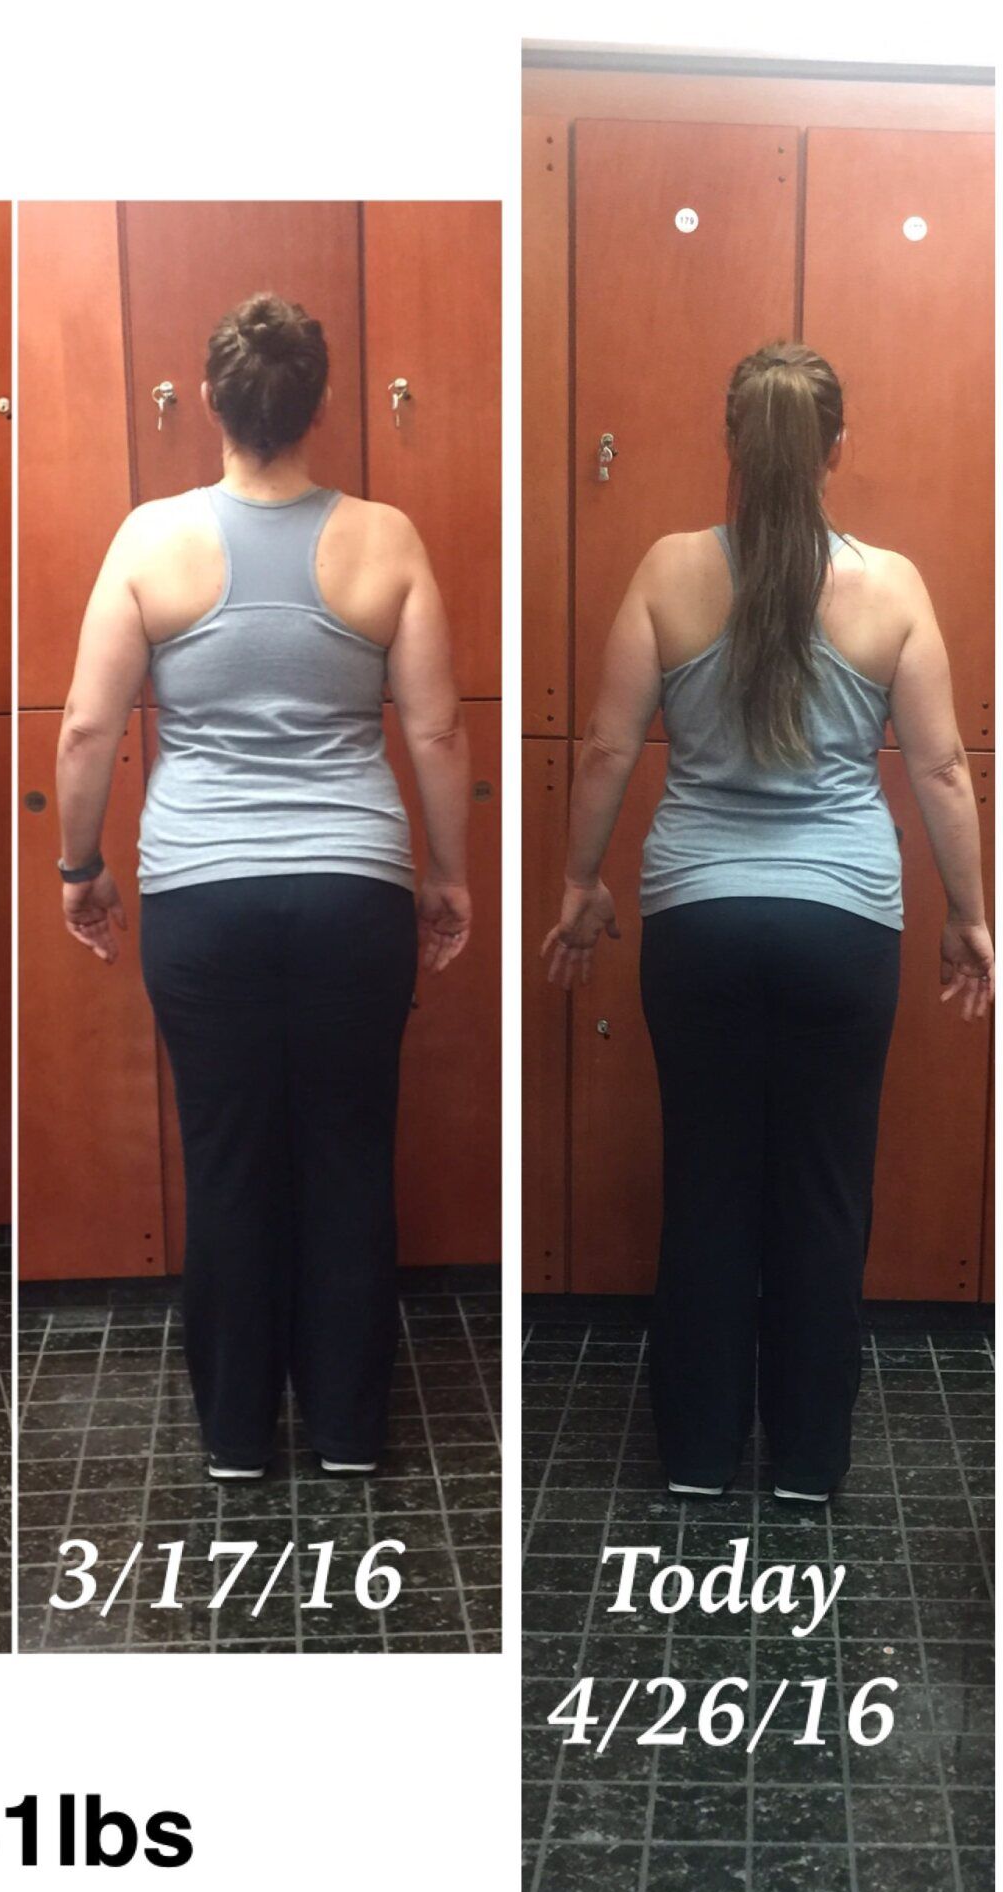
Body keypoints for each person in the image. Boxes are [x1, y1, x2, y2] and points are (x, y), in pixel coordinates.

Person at [543, 341, 992, 1502]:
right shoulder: (891, 587)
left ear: (730, 444)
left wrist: (579, 884)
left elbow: (603, 750)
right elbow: (942, 770)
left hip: (699, 923)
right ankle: (805, 1464)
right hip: (843, 931)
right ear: (835, 450)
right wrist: (967, 917)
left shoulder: (667, 570)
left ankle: (696, 1459)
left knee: (707, 1185)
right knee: (824, 1192)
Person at [55, 292, 472, 1480]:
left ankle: (238, 1437)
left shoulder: (151, 541)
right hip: (354, 896)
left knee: (228, 1161)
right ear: (320, 406)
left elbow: (88, 731)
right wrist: (448, 878)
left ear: (208, 403)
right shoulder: (385, 542)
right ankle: (346, 1435)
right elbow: (437, 739)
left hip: (204, 898)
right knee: (348, 1158)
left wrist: (81, 868)